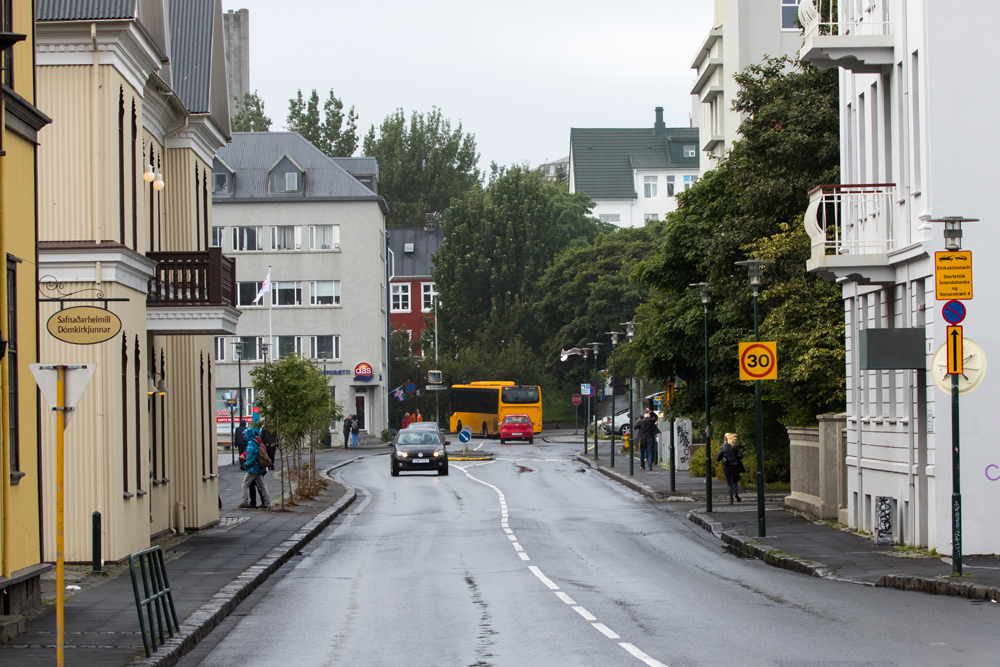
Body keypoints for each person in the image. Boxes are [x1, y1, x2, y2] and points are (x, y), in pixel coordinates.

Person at [239, 426, 272, 510]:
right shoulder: (256, 442)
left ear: (248, 435)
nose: (243, 436)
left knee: (245, 485)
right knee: (261, 486)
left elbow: (250, 458)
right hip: (259, 468)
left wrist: (245, 465)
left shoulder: (250, 444)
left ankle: (245, 502)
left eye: (244, 434)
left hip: (252, 469)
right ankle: (267, 503)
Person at [716, 432, 745, 504]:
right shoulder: (734, 445)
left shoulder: (723, 447)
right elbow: (741, 455)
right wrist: (736, 459)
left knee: (729, 483)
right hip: (735, 465)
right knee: (735, 481)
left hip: (727, 466)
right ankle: (736, 493)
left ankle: (731, 500)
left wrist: (723, 458)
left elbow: (717, 458)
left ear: (725, 439)